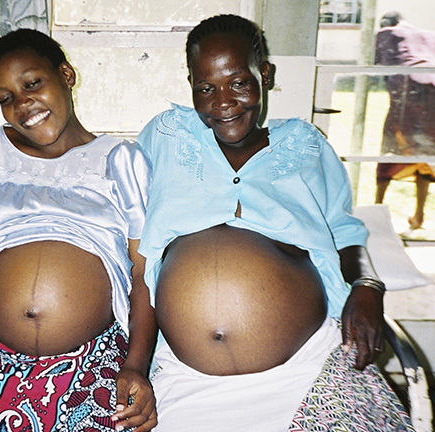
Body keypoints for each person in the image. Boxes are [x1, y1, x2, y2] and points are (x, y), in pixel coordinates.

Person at [137, 15, 414, 431]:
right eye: (206, 88)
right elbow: (127, 224)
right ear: (190, 84)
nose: (223, 102)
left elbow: (344, 231)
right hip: (184, 379)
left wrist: (368, 287)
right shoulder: (166, 135)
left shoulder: (305, 144)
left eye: (239, 83)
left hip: (307, 370)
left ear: (264, 75)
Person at [0, 29, 157, 432]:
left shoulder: (121, 159)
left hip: (93, 356)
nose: (22, 104)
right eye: (6, 97)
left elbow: (144, 273)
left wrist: (136, 367)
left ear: (66, 75)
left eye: (32, 83)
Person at [374, 11, 435, 230]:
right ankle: (419, 216)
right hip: (433, 100)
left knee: (390, 155)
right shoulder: (426, 36)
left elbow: (382, 72)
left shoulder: (387, 33)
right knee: (426, 159)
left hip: (408, 99)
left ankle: (376, 211)